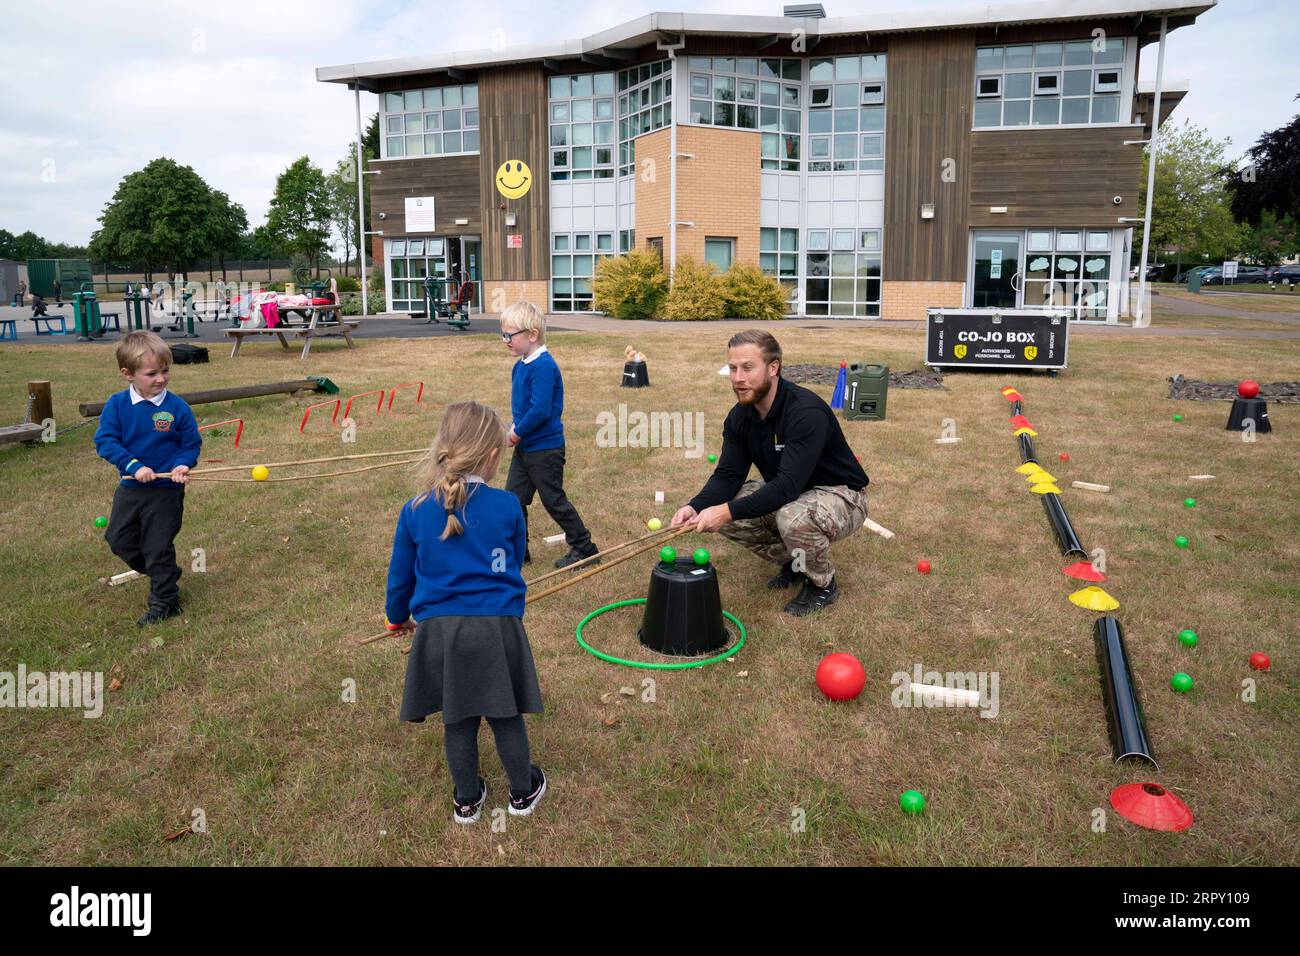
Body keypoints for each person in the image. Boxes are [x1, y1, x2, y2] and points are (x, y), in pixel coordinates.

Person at [386, 401, 547, 823]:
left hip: (439, 633)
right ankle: (522, 792)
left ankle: (467, 799)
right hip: (497, 629)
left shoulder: (416, 509)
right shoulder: (510, 505)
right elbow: (511, 561)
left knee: (457, 719)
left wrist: (395, 617)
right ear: (493, 456)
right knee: (504, 713)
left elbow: (400, 576)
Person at [671, 330, 870, 617]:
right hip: (795, 493)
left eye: (748, 367)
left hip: (842, 495)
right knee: (726, 508)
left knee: (790, 516)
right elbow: (728, 475)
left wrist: (726, 511)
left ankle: (822, 584)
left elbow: (786, 487)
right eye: (733, 368)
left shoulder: (805, 412)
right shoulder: (741, 416)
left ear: (773, 368)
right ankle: (796, 562)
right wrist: (696, 506)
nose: (738, 378)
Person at [93, 331, 202, 626]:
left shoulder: (176, 407)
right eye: (152, 373)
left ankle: (165, 600)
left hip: (166, 490)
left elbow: (190, 444)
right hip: (131, 487)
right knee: (118, 539)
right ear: (127, 374)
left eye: (165, 371)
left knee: (157, 546)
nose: (161, 379)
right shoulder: (117, 405)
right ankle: (163, 572)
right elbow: (105, 441)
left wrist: (182, 465)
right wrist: (133, 465)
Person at [500, 300, 599, 569]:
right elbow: (522, 409)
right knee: (513, 500)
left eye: (510, 335)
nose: (505, 340)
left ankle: (584, 547)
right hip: (525, 449)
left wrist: (516, 433)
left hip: (545, 450)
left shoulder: (543, 366)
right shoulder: (520, 365)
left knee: (554, 501)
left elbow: (541, 410)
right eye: (503, 334)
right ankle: (519, 550)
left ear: (532, 335)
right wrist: (512, 428)